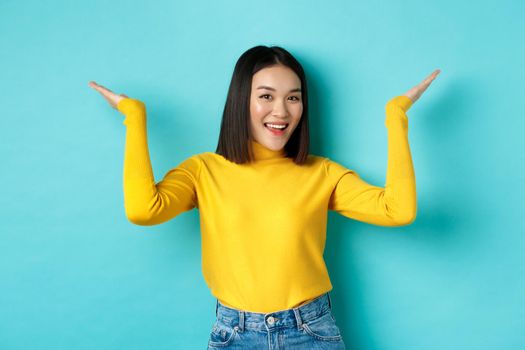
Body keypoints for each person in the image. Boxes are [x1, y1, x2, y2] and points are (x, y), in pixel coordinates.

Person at [89, 45, 440, 349]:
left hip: (311, 331)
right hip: (234, 334)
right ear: (242, 99)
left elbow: (398, 210)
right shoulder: (204, 171)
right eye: (266, 96)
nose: (281, 112)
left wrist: (396, 116)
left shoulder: (323, 174)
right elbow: (143, 210)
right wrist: (135, 118)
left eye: (293, 97)